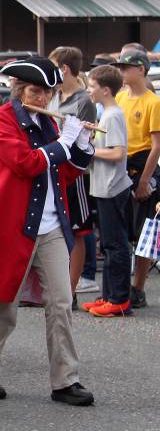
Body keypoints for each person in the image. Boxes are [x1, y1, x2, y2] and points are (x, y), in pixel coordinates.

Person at [0, 57, 95, 406]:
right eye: (36, 91)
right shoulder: (0, 119)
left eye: (49, 92)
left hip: (50, 226)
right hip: (12, 225)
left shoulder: (49, 123)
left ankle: (65, 380)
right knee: (4, 303)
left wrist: (81, 144)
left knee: (61, 303)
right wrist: (64, 142)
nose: (44, 98)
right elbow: (25, 163)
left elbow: (64, 172)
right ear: (19, 89)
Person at [81, 65, 133, 317]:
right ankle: (109, 296)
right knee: (110, 246)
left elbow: (118, 153)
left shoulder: (112, 115)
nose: (89, 91)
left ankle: (119, 299)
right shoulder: (108, 114)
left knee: (115, 245)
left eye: (92, 86)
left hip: (112, 188)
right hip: (105, 187)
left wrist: (90, 150)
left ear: (105, 90)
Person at [46, 46, 98, 298]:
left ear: (64, 69)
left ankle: (71, 290)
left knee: (77, 232)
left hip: (74, 173)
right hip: (52, 167)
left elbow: (87, 140)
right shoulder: (54, 95)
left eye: (54, 66)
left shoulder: (83, 100)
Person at [111, 49, 160, 309]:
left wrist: (144, 181)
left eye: (126, 67)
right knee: (122, 229)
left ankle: (138, 287)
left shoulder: (153, 102)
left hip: (143, 165)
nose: (121, 71)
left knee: (144, 232)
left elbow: (156, 146)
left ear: (141, 69)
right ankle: (120, 285)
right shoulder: (119, 97)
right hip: (121, 164)